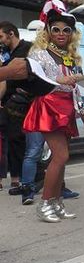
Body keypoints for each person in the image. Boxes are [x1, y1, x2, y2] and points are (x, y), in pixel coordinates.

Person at [23, 1, 84, 222]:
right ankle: (44, 203)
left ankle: (56, 202)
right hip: (49, 106)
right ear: (48, 32)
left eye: (66, 30)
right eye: (56, 29)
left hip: (66, 106)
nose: (61, 34)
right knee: (61, 156)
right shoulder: (39, 55)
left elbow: (75, 87)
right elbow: (33, 80)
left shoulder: (70, 56)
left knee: (61, 158)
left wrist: (82, 111)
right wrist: (57, 79)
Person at [0, 22, 32, 194]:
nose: (0, 41)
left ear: (11, 34)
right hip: (7, 103)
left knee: (19, 140)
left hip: (23, 103)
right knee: (10, 141)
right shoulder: (5, 53)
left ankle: (21, 179)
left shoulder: (27, 48)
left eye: (1, 36)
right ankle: (14, 179)